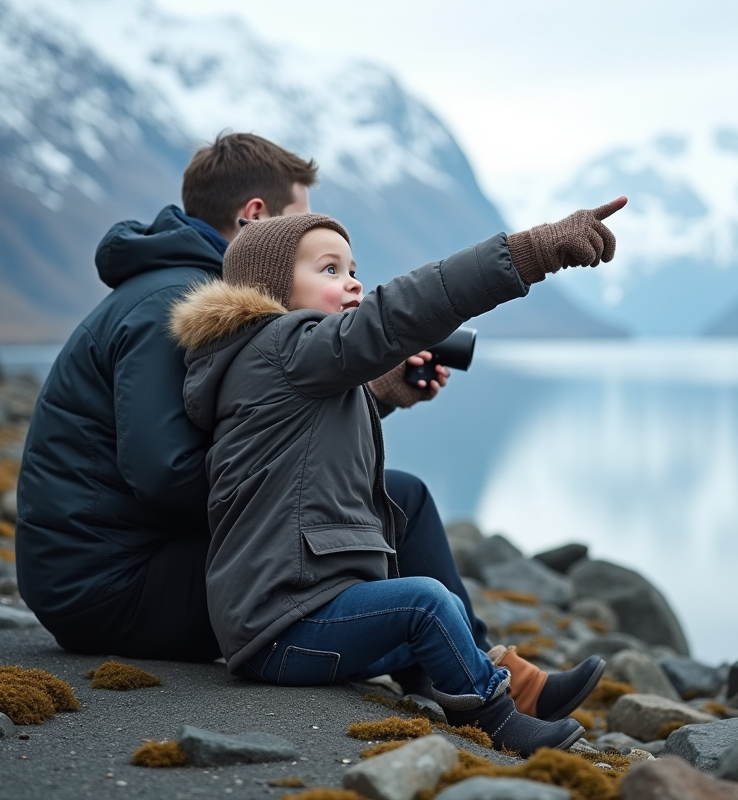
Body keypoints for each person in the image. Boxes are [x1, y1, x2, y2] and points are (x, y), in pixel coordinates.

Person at [167, 198, 626, 754]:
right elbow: (397, 313)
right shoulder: (281, 346)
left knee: (410, 523)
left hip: (295, 617)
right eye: (331, 270)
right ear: (270, 289)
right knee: (426, 604)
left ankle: (467, 681)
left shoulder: (278, 360)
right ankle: (498, 720)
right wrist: (528, 254)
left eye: (354, 271)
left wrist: (380, 391)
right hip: (281, 632)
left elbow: (311, 446)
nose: (355, 284)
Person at [15, 133, 481, 667]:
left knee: (398, 497)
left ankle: (475, 664)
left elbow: (257, 434)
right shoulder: (178, 306)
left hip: (138, 559)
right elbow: (165, 473)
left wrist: (375, 393)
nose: (306, 232)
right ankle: (470, 670)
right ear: (256, 217)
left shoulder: (196, 294)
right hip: (109, 586)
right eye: (299, 218)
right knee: (359, 524)